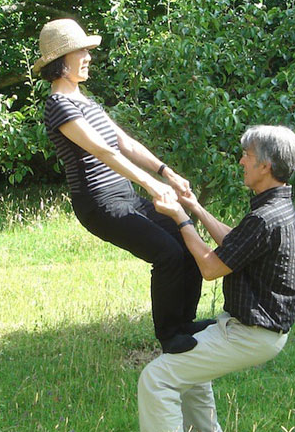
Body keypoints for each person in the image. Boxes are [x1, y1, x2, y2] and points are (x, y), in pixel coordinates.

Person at [141, 125, 295, 432]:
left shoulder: (266, 217)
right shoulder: (275, 207)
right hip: (253, 329)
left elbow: (212, 268)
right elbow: (234, 244)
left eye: (248, 154)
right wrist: (195, 207)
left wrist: (180, 219)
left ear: (266, 166)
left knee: (157, 378)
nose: (242, 160)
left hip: (252, 334)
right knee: (183, 346)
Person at [34, 18, 206, 353]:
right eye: (81, 51)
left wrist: (166, 172)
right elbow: (101, 149)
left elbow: (124, 143)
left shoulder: (84, 100)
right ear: (62, 61)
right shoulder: (58, 105)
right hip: (99, 204)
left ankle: (186, 321)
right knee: (167, 252)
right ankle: (170, 335)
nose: (88, 57)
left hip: (124, 196)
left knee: (186, 233)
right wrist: (151, 185)